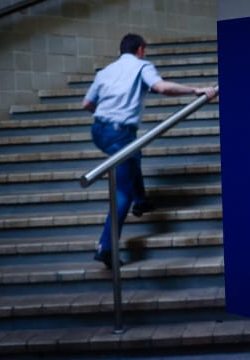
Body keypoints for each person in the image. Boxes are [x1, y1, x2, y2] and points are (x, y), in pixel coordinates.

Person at [82, 33, 217, 268]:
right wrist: (195, 90)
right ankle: (105, 246)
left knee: (133, 154)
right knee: (122, 190)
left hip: (99, 131)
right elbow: (161, 87)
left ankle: (142, 201)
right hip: (119, 132)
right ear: (141, 49)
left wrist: (108, 113)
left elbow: (87, 104)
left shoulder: (105, 71)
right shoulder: (141, 65)